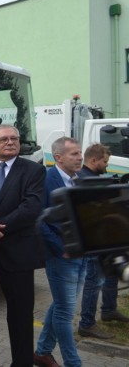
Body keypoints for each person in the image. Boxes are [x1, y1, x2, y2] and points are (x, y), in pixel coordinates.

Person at [0, 124, 46, 367]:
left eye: (14, 138)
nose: (10, 142)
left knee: (20, 319)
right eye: (4, 139)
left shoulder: (34, 170)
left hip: (18, 256)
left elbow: (31, 208)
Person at [34, 137, 86, 367]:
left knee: (61, 305)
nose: (80, 157)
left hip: (83, 254)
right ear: (58, 157)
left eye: (80, 153)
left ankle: (42, 351)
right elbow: (39, 220)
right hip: (61, 256)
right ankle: (72, 362)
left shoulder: (79, 179)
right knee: (66, 311)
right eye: (74, 154)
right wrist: (60, 247)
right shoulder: (47, 180)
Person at [77, 143, 129, 340]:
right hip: (94, 243)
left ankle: (109, 309)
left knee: (110, 275)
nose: (106, 165)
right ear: (93, 160)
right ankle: (87, 324)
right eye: (105, 162)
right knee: (94, 282)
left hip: (105, 240)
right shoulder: (84, 181)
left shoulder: (94, 178)